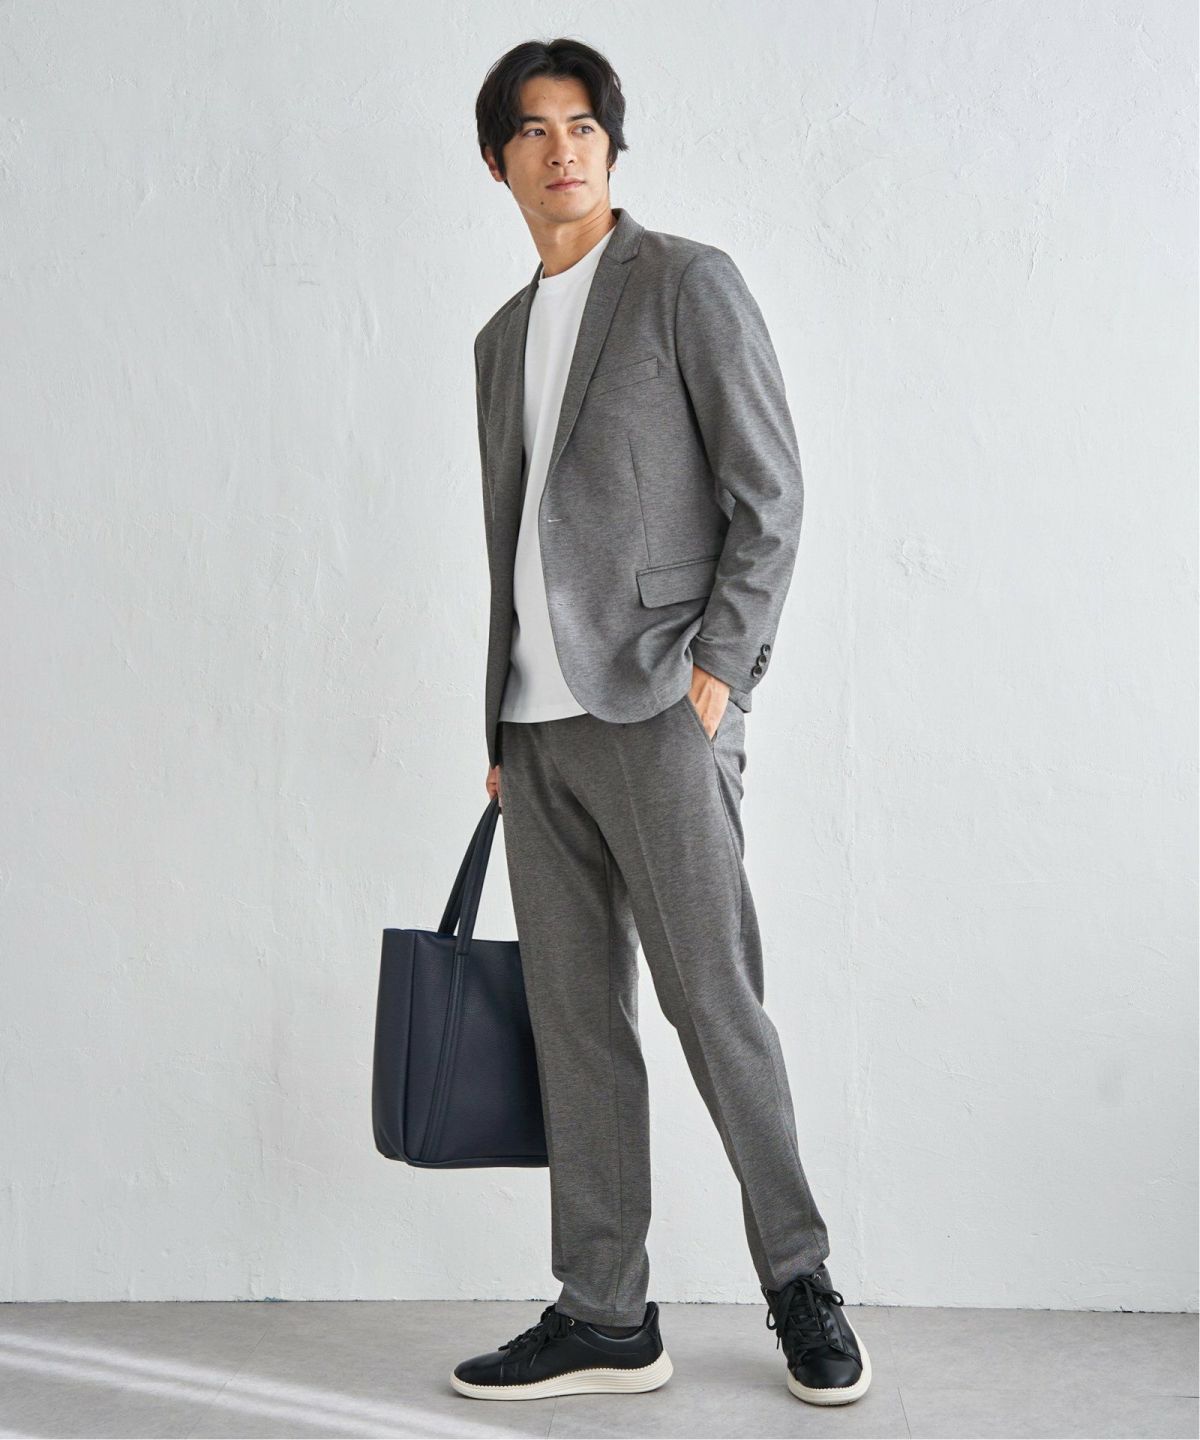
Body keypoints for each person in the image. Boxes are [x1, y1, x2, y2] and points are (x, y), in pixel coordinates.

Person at [451, 37, 871, 1408]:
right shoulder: (499, 341)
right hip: (537, 733)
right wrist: (502, 724)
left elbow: (771, 492)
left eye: (583, 124)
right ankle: (605, 1312)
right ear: (500, 161)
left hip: (660, 709)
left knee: (713, 1004)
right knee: (576, 1028)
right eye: (533, 129)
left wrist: (722, 674)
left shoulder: (686, 283)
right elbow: (516, 541)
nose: (562, 148)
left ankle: (800, 1279)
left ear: (611, 146)